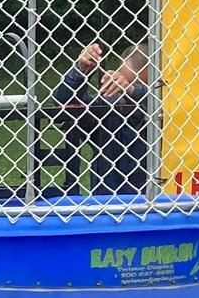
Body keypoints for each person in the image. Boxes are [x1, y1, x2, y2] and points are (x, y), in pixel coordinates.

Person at [52, 41, 150, 193]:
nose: (122, 89)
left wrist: (133, 91)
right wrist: (80, 72)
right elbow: (63, 102)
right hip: (106, 202)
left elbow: (155, 101)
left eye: (134, 84)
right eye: (121, 82)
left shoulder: (167, 111)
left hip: (155, 199)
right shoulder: (109, 106)